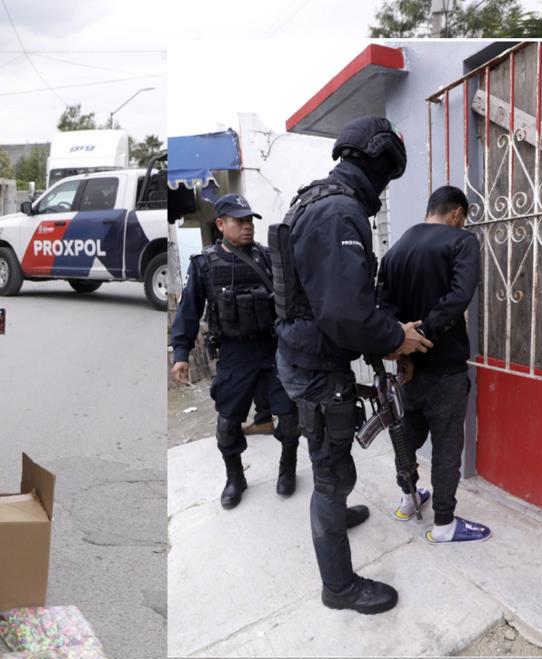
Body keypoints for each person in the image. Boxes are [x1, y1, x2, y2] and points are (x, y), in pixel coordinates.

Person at [272, 115, 433, 615]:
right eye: (387, 174)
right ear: (376, 163)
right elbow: (344, 312)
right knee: (329, 474)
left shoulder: (317, 199)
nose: (385, 189)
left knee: (334, 469)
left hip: (307, 356)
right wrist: (395, 338)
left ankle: (337, 515)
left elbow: (340, 298)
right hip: (316, 369)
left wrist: (385, 342)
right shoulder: (340, 212)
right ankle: (338, 588)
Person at [378, 184, 492, 543]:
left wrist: (405, 346)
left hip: (408, 366)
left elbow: (382, 308)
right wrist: (425, 332)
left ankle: (408, 499)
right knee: (446, 444)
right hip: (445, 367)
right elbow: (459, 295)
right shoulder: (461, 242)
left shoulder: (394, 250)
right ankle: (444, 524)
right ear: (457, 214)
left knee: (408, 435)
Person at [171, 193, 300, 509]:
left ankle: (287, 468)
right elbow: (188, 310)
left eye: (249, 221)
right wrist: (181, 354)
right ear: (220, 224)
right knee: (228, 423)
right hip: (234, 353)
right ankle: (235, 477)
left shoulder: (269, 258)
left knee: (289, 417)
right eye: (238, 221)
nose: (247, 227)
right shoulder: (204, 265)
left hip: (274, 349)